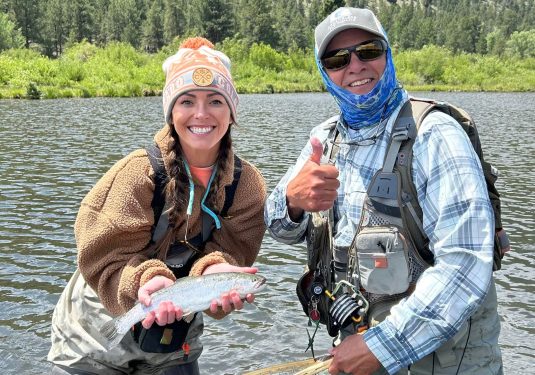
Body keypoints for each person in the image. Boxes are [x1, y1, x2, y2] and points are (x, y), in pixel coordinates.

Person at [265, 7, 503, 375]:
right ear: (323, 72)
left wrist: (383, 345)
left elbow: (466, 264)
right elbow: (279, 229)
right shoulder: (323, 140)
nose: (355, 66)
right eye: (337, 59)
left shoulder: (436, 135)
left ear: (388, 55)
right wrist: (293, 202)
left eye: (369, 51)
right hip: (357, 353)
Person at [48, 37, 267, 375]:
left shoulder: (247, 185)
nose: (201, 113)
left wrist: (214, 269)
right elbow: (100, 254)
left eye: (215, 101)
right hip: (94, 332)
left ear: (232, 111)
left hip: (175, 333)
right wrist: (144, 281)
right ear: (170, 112)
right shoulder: (137, 173)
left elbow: (234, 253)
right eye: (187, 101)